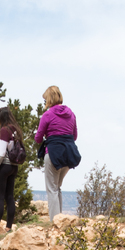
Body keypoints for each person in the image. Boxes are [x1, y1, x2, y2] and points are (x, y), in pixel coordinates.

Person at [35, 86, 81, 219]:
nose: (45, 103)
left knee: (52, 188)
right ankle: (60, 220)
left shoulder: (48, 115)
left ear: (49, 99)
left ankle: (54, 221)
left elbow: (38, 138)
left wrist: (49, 135)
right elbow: (75, 136)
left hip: (53, 154)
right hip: (68, 155)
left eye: (45, 100)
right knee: (58, 187)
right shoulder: (71, 114)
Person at [0, 106, 25, 227]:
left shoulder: (5, 131)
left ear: (1, 118)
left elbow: (0, 154)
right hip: (14, 167)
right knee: (10, 197)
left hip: (4, 166)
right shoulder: (16, 130)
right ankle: (9, 227)